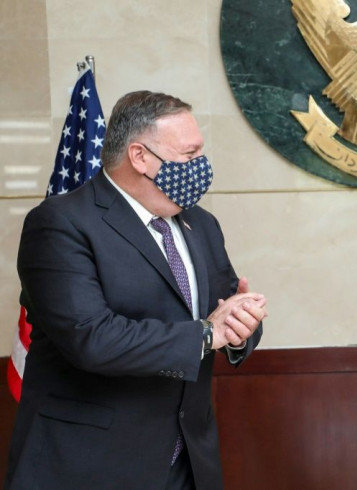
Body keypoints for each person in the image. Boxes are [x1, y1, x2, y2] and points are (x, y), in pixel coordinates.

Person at [5, 91, 266, 490]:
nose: (201, 166)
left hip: (188, 463)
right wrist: (208, 334)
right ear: (140, 157)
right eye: (189, 154)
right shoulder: (60, 224)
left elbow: (223, 313)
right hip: (90, 465)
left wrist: (239, 327)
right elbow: (91, 338)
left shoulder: (203, 224)